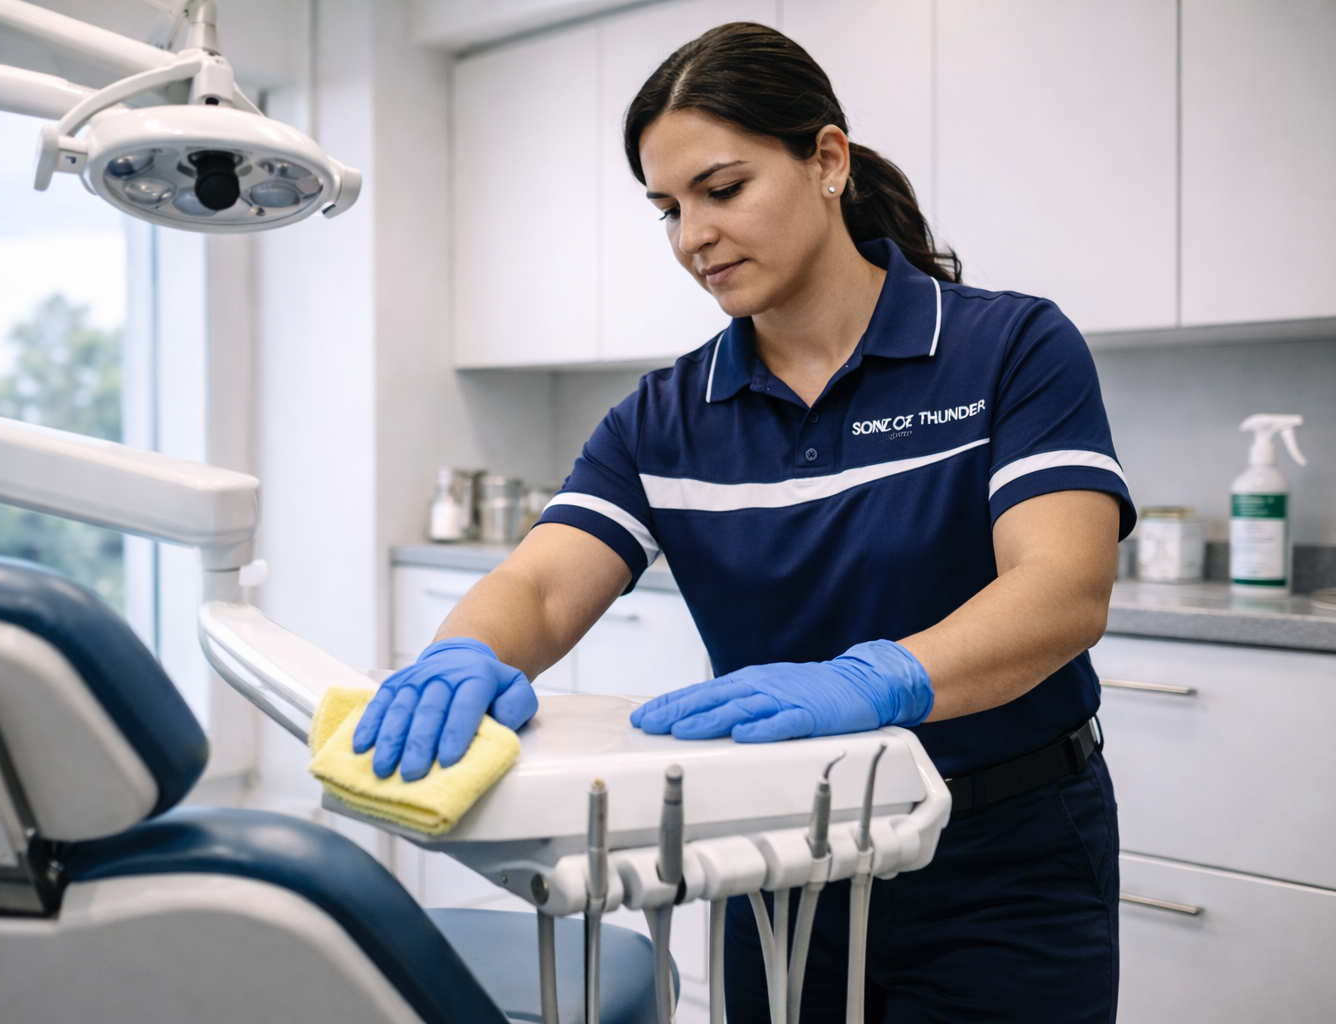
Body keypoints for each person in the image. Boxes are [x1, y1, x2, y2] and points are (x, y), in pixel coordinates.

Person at [355, 21, 1132, 1024]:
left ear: (827, 160)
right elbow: (543, 584)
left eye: (722, 190)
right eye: (668, 208)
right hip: (776, 856)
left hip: (1002, 853)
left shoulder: (1007, 347)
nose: (692, 237)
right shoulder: (667, 416)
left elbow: (1062, 586)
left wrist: (876, 678)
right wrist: (460, 655)